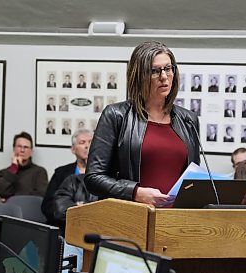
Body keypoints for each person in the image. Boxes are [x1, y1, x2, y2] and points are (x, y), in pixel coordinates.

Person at [84, 41, 200, 207]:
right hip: (131, 217)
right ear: (139, 75)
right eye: (154, 71)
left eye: (168, 68)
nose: (164, 77)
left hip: (176, 220)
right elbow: (93, 178)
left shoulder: (188, 120)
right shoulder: (116, 115)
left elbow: (192, 178)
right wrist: (135, 192)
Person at [42, 129, 93, 227]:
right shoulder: (61, 173)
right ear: (73, 149)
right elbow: (47, 205)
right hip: (63, 226)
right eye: (82, 143)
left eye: (90, 142)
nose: (87, 146)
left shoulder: (102, 174)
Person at [0, 131, 48, 201]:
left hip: (30, 210)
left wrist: (10, 198)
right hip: (9, 211)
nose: (22, 150)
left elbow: (40, 196)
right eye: (19, 146)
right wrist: (13, 169)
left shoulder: (39, 172)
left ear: (31, 151)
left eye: (26, 147)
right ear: (14, 149)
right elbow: (0, 191)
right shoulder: (3, 173)